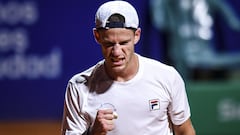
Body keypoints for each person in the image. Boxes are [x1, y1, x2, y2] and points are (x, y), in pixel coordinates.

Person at [61, 1, 196, 135]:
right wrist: (92, 132)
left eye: (124, 43)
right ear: (97, 36)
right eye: (109, 44)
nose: (117, 52)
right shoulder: (78, 86)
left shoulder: (168, 77)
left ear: (136, 35)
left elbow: (185, 131)